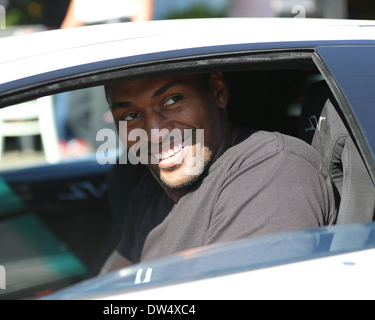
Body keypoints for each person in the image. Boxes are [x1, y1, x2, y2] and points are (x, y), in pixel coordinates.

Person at [100, 72, 339, 274]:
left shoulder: (274, 171)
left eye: (172, 100)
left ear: (218, 92)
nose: (154, 133)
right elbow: (108, 282)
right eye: (130, 116)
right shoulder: (150, 191)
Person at [54, 0, 154, 158]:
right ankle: (105, 157)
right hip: (87, 58)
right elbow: (68, 28)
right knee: (76, 113)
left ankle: (118, 165)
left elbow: (142, 25)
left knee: (106, 123)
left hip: (118, 56)